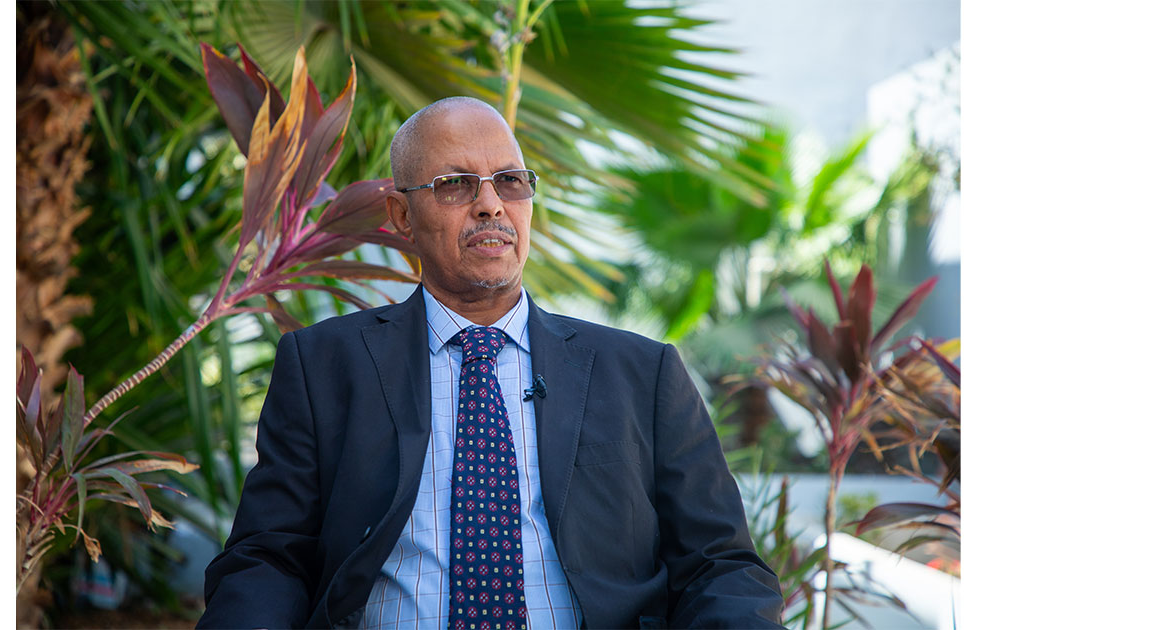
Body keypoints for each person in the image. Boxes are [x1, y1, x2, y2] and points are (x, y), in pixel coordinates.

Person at [199, 97, 783, 629]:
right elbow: (269, 557)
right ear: (401, 215)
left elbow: (720, 565)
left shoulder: (642, 373)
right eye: (455, 184)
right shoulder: (323, 366)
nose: (490, 205)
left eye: (510, 181)